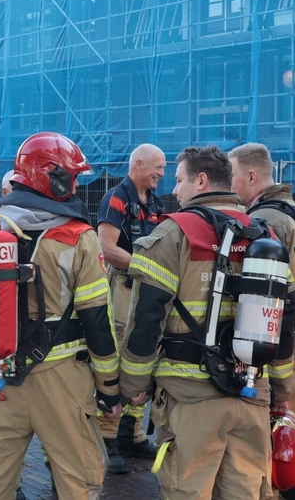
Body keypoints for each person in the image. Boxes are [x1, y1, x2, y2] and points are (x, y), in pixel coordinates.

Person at [119, 145, 295, 500]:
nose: (174, 190)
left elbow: (147, 319)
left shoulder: (173, 235)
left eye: (180, 180)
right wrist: (281, 394)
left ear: (201, 181)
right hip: (251, 395)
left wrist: (132, 386)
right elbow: (282, 318)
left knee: (188, 490)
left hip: (191, 402)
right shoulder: (265, 235)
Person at [0, 131, 122, 500]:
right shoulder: (79, 237)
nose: (76, 184)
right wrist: (110, 390)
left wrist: (1, 336)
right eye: (72, 176)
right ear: (54, 177)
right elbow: (97, 322)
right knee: (77, 480)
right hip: (62, 380)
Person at [229, 143, 295, 428]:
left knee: (275, 433)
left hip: (281, 346)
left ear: (251, 177)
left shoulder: (263, 221)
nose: (229, 184)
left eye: (232, 175)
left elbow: (272, 293)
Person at [96, 144, 167, 473]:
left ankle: (132, 434)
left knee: (145, 354)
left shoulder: (155, 203)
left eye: (165, 168)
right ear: (138, 165)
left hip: (146, 289)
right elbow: (107, 249)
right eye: (157, 167)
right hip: (124, 287)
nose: (162, 173)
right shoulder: (117, 197)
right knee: (120, 354)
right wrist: (145, 267)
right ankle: (107, 438)